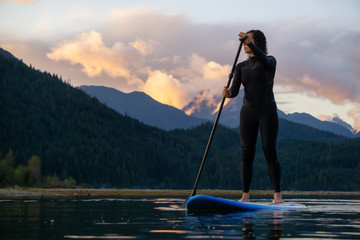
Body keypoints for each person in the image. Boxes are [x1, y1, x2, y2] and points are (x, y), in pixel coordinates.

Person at [222, 30, 283, 203]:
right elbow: (234, 91)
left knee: (269, 151)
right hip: (247, 112)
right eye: (244, 41)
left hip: (267, 111)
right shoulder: (240, 66)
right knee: (246, 153)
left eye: (248, 40)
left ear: (257, 42)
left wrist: (250, 44)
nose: (244, 44)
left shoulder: (269, 61)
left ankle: (277, 196)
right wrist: (227, 93)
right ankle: (245, 196)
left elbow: (262, 58)